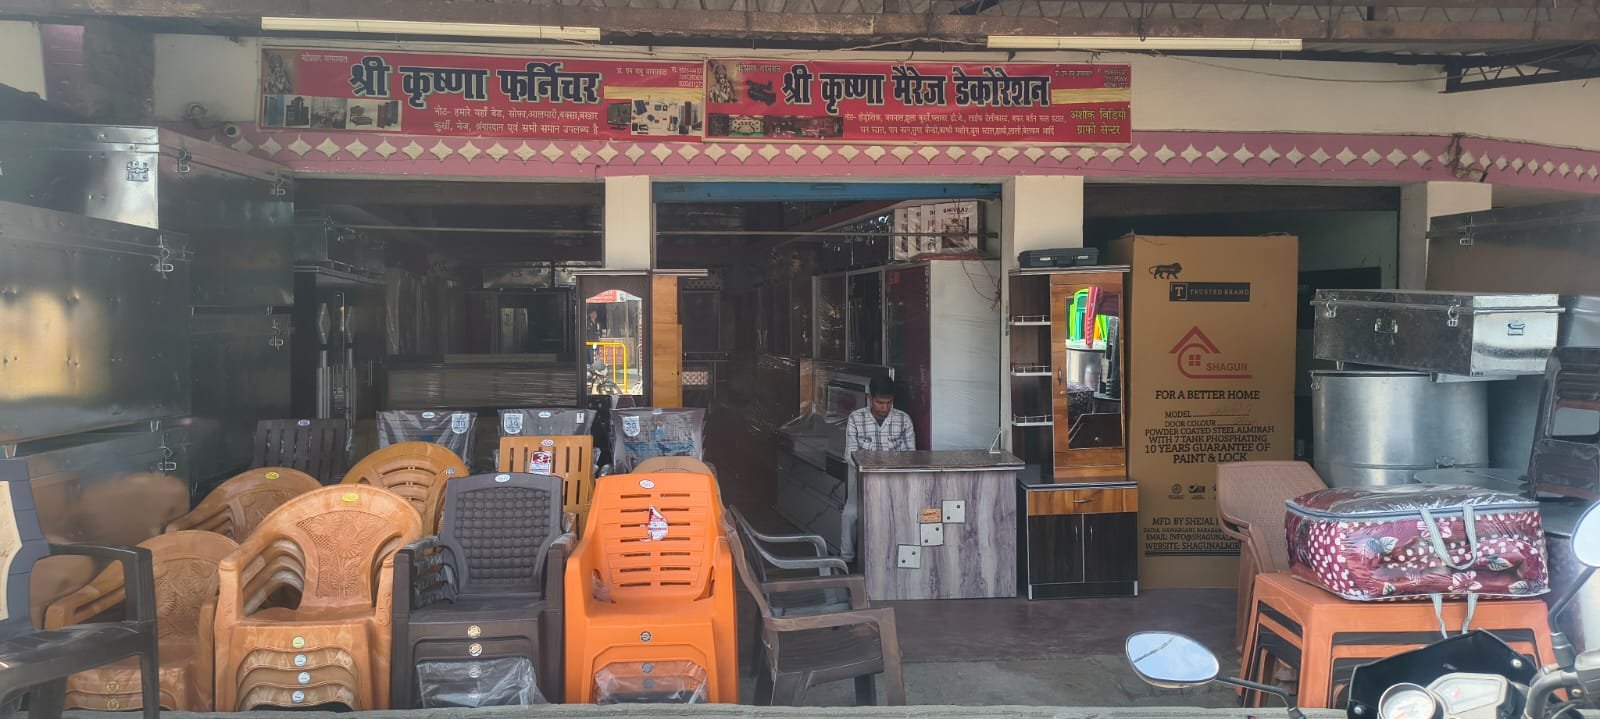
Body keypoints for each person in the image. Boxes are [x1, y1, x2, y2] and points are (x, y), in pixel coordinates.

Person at [845, 375, 917, 462]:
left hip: (894, 470)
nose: (885, 408)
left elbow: (909, 456)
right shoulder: (855, 419)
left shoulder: (904, 420)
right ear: (870, 398)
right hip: (866, 471)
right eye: (879, 403)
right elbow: (850, 455)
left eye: (889, 402)